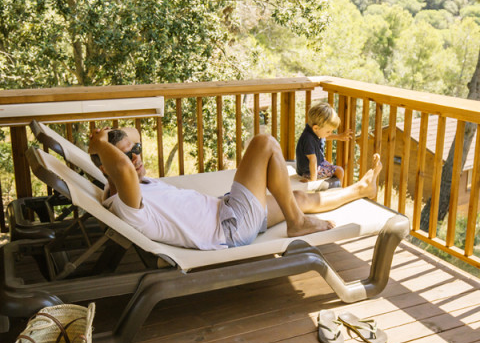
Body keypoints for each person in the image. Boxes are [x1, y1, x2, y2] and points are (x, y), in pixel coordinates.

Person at [88, 128, 381, 251]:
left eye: (136, 150)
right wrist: (99, 144)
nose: (136, 158)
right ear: (106, 167)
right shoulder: (125, 202)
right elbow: (122, 170)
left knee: (296, 197)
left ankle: (360, 189)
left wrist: (108, 143)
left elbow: (130, 144)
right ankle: (297, 223)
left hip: (227, 212)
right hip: (230, 226)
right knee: (265, 143)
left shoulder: (135, 185)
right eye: (126, 155)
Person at [296, 102, 353, 187]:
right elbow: (313, 159)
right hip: (308, 171)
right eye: (328, 131)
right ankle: (339, 191)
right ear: (316, 128)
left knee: (330, 165)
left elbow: (324, 137)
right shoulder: (308, 139)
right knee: (339, 171)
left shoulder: (313, 131)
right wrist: (313, 181)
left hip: (315, 164)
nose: (330, 133)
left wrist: (339, 136)